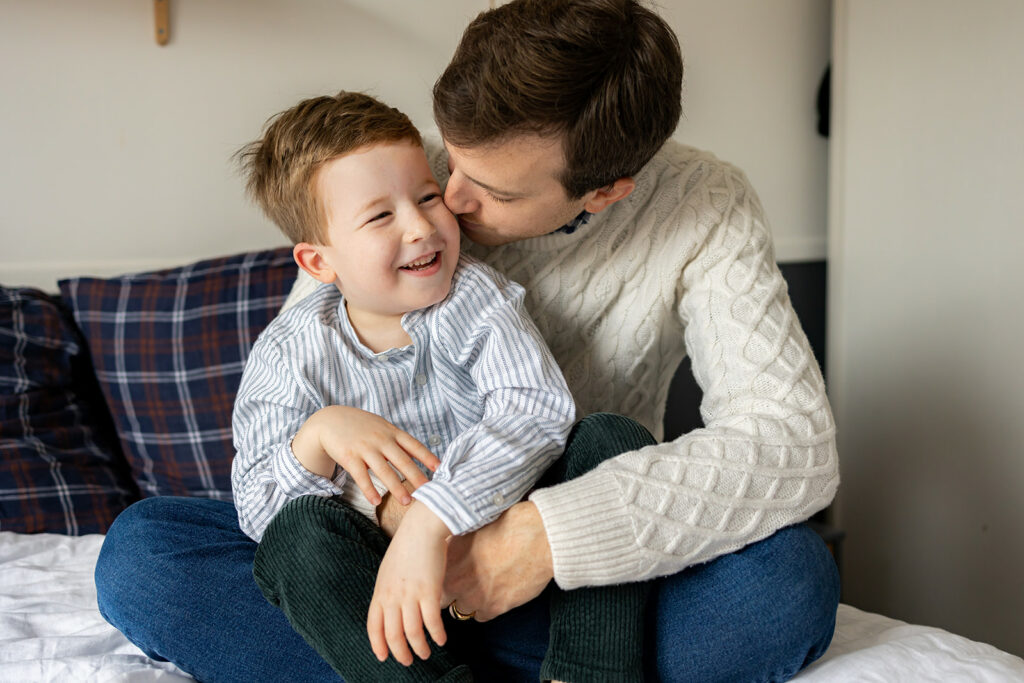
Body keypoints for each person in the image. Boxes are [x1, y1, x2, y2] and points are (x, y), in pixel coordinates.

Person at [96, 1, 841, 681]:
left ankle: (432, 662)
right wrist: (407, 521)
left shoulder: (707, 206)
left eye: (496, 191)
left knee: (789, 584)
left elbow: (794, 442)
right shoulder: (394, 176)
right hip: (379, 555)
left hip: (588, 576)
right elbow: (303, 395)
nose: (445, 205)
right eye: (449, 160)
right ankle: (431, 656)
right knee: (145, 554)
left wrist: (543, 539)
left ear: (608, 188)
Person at [229, 89, 648, 682]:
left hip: (524, 562)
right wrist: (318, 438)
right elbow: (258, 512)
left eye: (428, 197)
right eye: (380, 216)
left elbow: (537, 411)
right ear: (319, 262)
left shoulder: (473, 298)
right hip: (391, 597)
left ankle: (586, 672)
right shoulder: (289, 350)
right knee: (284, 537)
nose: (421, 226)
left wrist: (433, 518)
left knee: (613, 439)